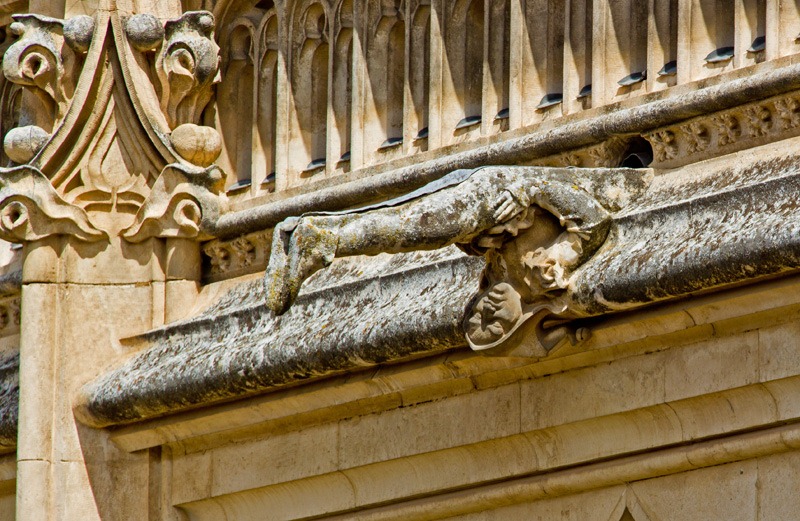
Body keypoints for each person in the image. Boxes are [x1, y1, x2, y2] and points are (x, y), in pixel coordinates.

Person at [265, 165, 646, 323]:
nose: (490, 314)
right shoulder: (554, 273)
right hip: (505, 191)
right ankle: (321, 239)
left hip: (487, 208)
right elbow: (594, 220)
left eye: (485, 320)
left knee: (413, 220)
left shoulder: (509, 277)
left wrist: (478, 244)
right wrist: (530, 190)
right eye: (498, 323)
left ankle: (309, 234)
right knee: (415, 224)